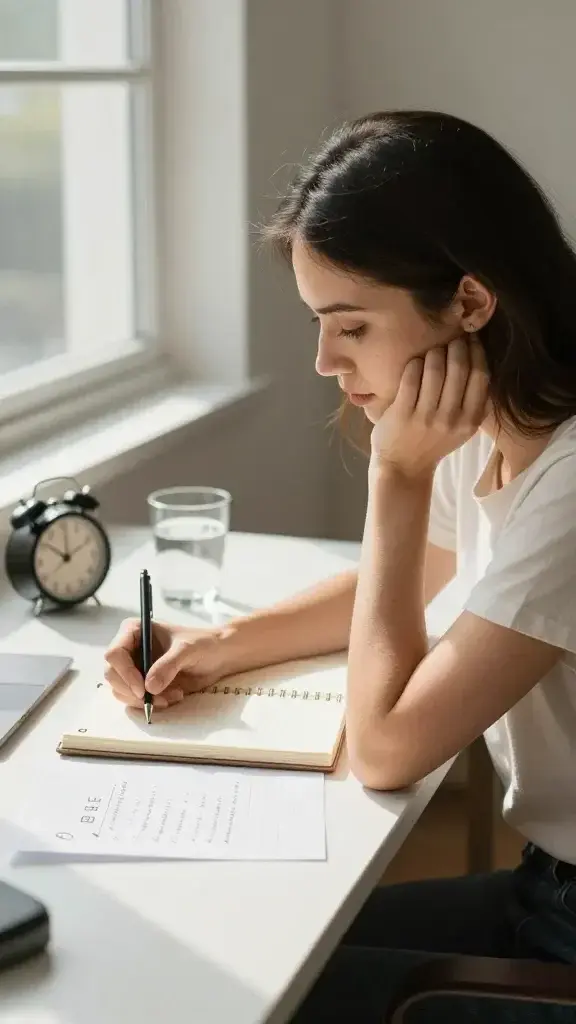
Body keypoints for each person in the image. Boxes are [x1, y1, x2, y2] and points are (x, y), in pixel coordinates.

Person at [104, 111, 576, 1021]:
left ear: (471, 303)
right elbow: (410, 582)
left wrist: (394, 480)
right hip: (544, 888)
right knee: (241, 941)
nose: (325, 361)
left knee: (230, 993)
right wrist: (221, 643)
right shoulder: (503, 425)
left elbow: (387, 748)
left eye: (350, 326)